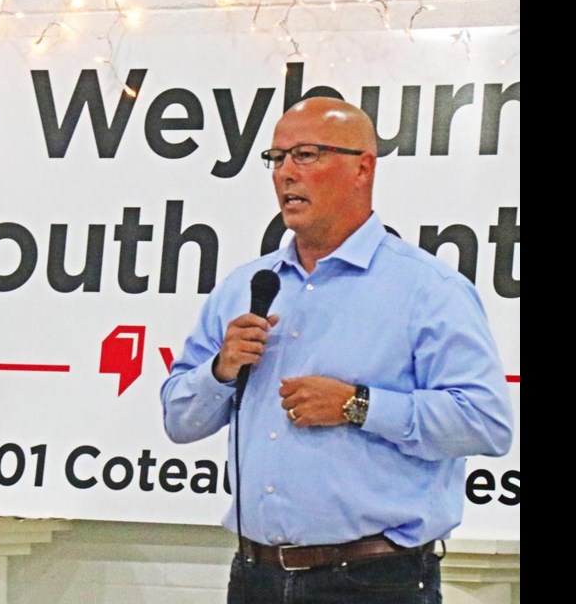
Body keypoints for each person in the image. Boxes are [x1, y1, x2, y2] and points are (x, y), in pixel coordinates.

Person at [160, 97, 513, 603]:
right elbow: (179, 419)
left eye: (305, 154)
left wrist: (358, 405)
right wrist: (219, 370)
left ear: (361, 168)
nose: (285, 173)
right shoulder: (245, 288)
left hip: (372, 581)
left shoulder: (427, 289)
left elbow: (486, 422)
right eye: (276, 158)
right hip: (254, 574)